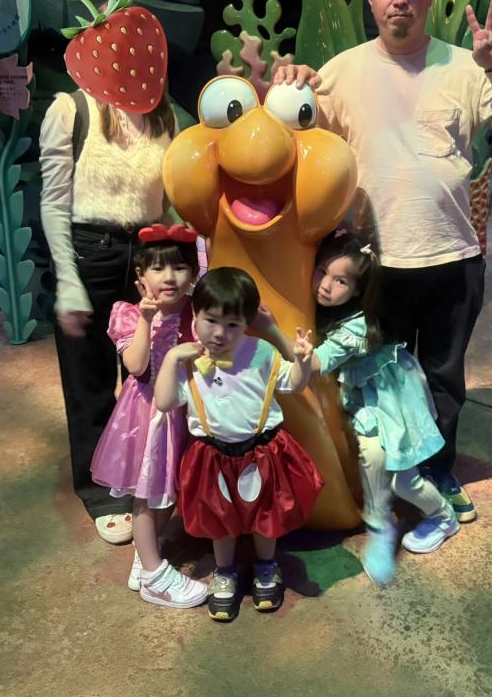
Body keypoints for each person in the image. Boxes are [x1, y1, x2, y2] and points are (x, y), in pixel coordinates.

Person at [273, 0, 492, 522]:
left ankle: (436, 474)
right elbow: (291, 139)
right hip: (374, 264)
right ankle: (376, 478)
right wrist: (284, 86)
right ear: (370, 1)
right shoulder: (340, 71)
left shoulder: (467, 65)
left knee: (443, 378)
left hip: (453, 255)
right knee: (375, 379)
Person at [39, 0, 177, 544]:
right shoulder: (69, 110)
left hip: (146, 251)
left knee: (146, 369)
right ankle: (100, 489)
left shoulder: (163, 115)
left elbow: (171, 199)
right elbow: (54, 202)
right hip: (89, 248)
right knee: (89, 376)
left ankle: (143, 471)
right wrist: (68, 281)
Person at [261, 230, 458, 587]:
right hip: (367, 393)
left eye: (341, 281)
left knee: (401, 477)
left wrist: (272, 329)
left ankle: (440, 517)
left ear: (356, 291)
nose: (325, 285)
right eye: (322, 271)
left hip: (389, 396)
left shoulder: (354, 327)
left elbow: (314, 363)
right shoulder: (326, 309)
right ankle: (381, 522)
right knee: (377, 458)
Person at [155, 267, 322, 622]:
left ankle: (267, 565)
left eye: (232, 324)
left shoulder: (261, 352)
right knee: (221, 520)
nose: (220, 333)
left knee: (265, 515)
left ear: (247, 323)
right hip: (211, 456)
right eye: (211, 320)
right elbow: (165, 402)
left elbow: (293, 384)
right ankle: (225, 571)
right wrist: (171, 359)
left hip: (263, 452)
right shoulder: (187, 360)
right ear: (195, 314)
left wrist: (303, 362)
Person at [89, 223, 207, 609]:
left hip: (184, 411)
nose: (169, 277)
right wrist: (145, 319)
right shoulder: (126, 313)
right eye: (158, 268)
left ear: (194, 272)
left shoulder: (197, 311)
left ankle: (148, 549)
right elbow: (136, 365)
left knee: (168, 487)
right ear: (141, 276)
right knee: (145, 494)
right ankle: (155, 576)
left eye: (179, 267)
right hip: (146, 416)